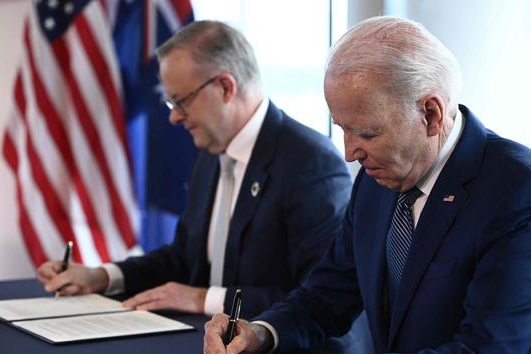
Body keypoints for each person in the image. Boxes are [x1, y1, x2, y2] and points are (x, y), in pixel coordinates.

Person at [203, 16, 531, 354]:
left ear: (431, 114)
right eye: (342, 128)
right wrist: (261, 334)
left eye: (367, 132)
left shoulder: (523, 193)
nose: (350, 153)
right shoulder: (379, 177)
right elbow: (327, 296)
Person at [37, 20, 351, 322]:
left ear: (225, 87)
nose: (174, 118)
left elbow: (319, 299)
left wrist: (202, 299)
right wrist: (102, 276)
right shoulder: (211, 152)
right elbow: (183, 259)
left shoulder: (310, 163)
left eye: (181, 102)